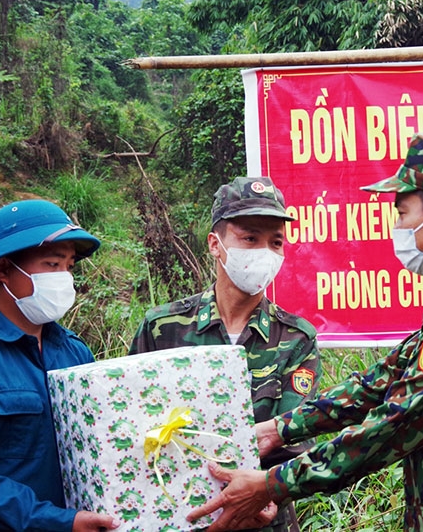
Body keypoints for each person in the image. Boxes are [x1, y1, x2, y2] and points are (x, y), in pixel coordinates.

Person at [187, 133, 423, 531]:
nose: (398, 227)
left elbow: (393, 426)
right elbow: (381, 382)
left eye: (403, 213)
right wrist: (281, 428)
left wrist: (272, 484)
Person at [128, 176, 321, 532]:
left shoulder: (295, 337)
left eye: (275, 242)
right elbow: (132, 424)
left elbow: (293, 440)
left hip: (263, 520)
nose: (264, 251)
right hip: (177, 516)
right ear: (215, 245)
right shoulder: (163, 327)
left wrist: (265, 497)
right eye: (250, 238)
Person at [0, 200, 119, 531]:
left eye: (69, 266)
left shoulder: (74, 353)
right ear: (3, 270)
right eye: (51, 264)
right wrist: (61, 523)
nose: (64, 279)